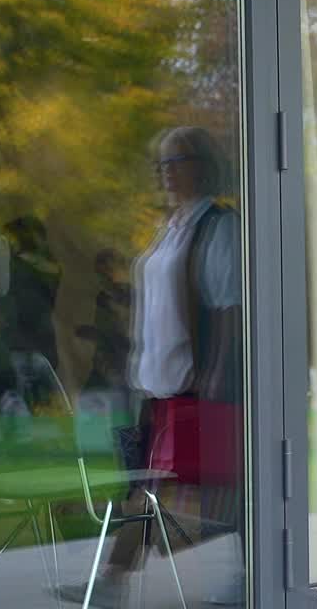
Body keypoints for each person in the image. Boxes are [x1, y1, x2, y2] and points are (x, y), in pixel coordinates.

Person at [58, 126, 244, 607]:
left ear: (201, 165)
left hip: (193, 385)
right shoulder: (172, 226)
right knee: (159, 487)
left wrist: (214, 384)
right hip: (156, 384)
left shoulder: (217, 227)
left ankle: (113, 583)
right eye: (160, 164)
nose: (165, 172)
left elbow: (228, 310)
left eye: (174, 161)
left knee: (167, 488)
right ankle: (117, 583)